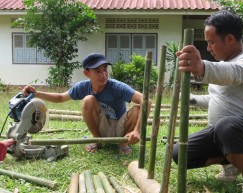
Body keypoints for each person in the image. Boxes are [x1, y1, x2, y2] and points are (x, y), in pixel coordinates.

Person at [172, 10, 243, 193]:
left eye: (211, 42)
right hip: (221, 134)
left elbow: (234, 74)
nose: (208, 48)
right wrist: (190, 100)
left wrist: (201, 67)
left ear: (230, 39)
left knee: (227, 125)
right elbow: (217, 98)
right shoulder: (222, 65)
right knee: (179, 153)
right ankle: (231, 162)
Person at [22, 53, 151, 155]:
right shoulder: (83, 87)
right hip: (102, 126)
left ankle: (123, 143)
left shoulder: (117, 86)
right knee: (88, 100)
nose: (103, 74)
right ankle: (97, 140)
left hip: (121, 126)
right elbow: (61, 97)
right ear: (87, 73)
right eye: (98, 71)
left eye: (105, 69)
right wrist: (36, 93)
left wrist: (137, 130)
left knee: (138, 108)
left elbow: (147, 101)